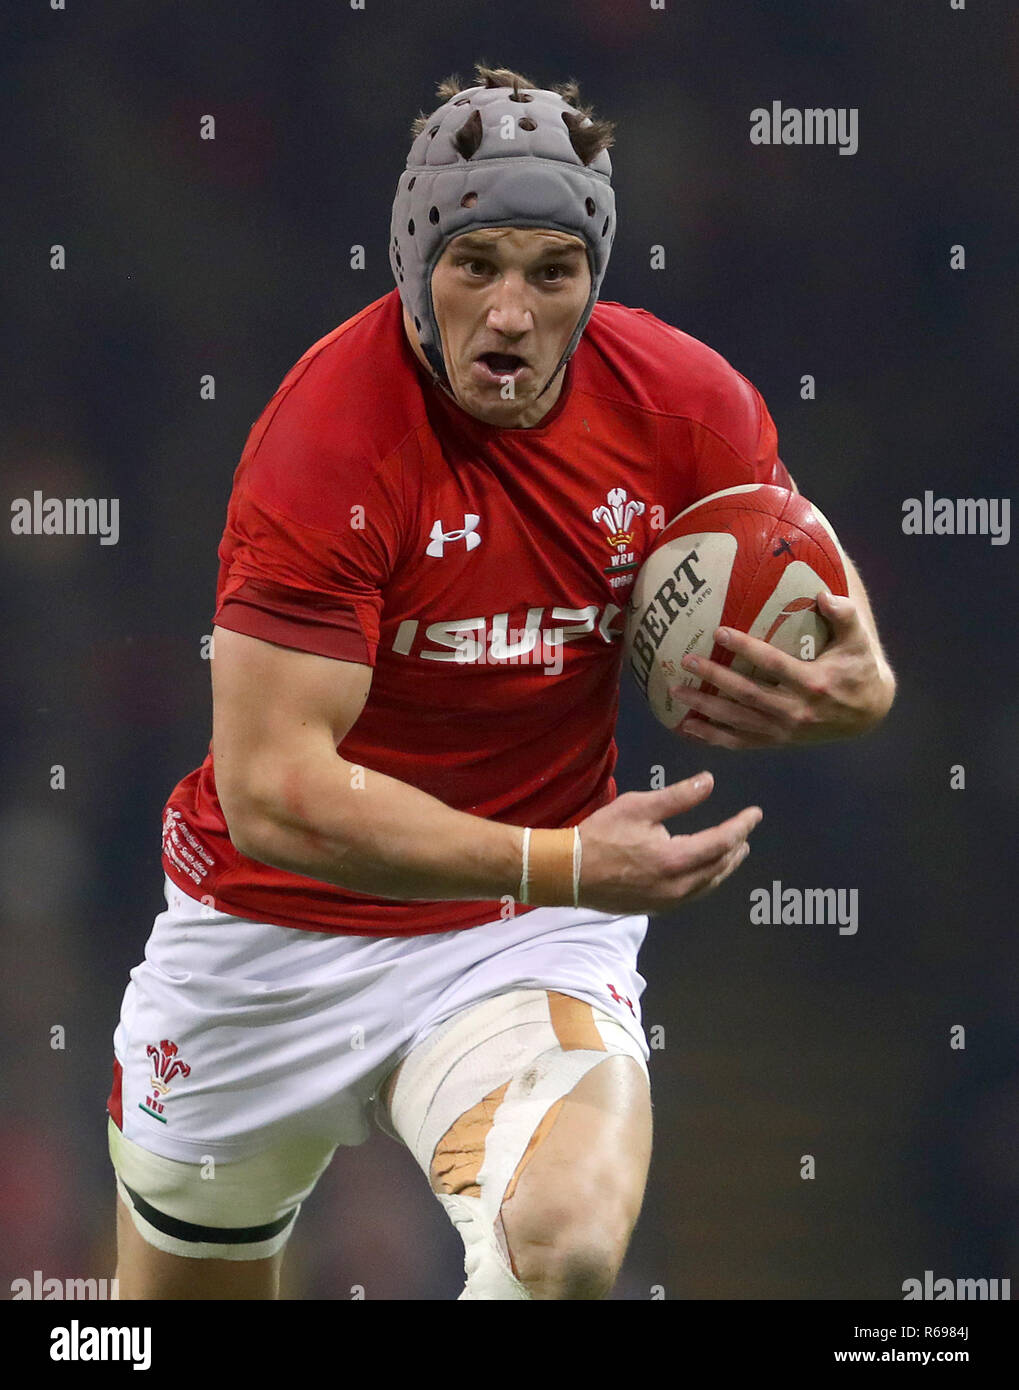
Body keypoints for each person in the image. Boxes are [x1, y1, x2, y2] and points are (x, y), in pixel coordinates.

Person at [107, 63, 895, 1300]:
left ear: (595, 278)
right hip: (270, 930)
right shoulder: (325, 442)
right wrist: (570, 861)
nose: (512, 313)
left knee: (566, 1248)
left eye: (551, 272)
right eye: (475, 265)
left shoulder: (686, 405)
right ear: (416, 261)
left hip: (512, 934)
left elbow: (811, 578)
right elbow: (271, 792)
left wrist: (861, 690)